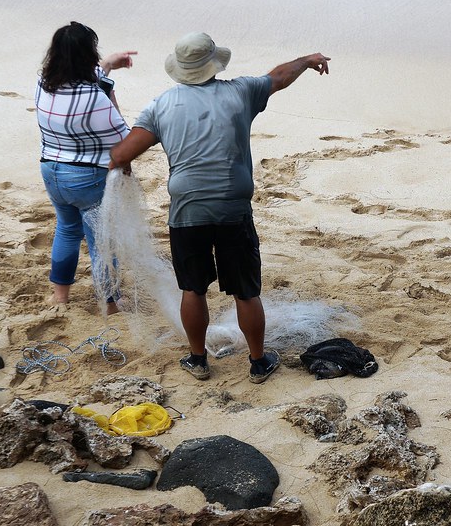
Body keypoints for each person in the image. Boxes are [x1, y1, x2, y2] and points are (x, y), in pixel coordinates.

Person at [109, 32, 330, 384]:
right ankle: (258, 363)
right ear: (214, 64)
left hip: (186, 211)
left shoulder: (161, 105)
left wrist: (121, 168)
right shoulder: (241, 92)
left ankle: (198, 360)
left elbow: (121, 155)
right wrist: (306, 60)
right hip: (233, 209)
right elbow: (278, 78)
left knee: (193, 289)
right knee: (246, 290)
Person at [36, 21, 137, 314]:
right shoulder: (95, 98)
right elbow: (124, 139)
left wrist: (106, 66)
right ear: (88, 56)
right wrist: (108, 88)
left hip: (51, 170)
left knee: (67, 230)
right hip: (86, 177)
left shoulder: (43, 85)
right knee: (101, 240)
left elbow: (80, 82)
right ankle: (109, 302)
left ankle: (60, 297)